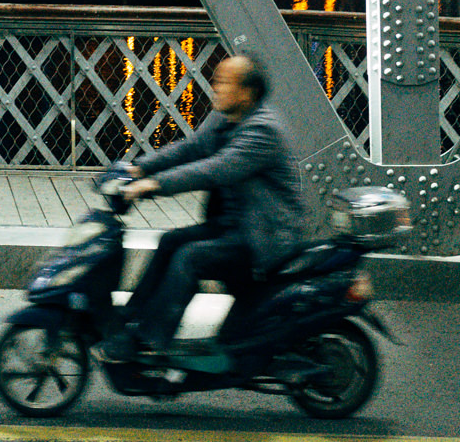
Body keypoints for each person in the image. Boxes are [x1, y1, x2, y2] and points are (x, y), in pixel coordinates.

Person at [99, 52, 306, 361]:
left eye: (224, 83)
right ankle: (129, 321)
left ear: (247, 93)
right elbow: (191, 149)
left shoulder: (263, 130)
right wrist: (139, 169)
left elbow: (215, 168)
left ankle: (150, 339)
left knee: (190, 258)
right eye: (216, 81)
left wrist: (155, 185)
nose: (215, 88)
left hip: (263, 237)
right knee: (170, 241)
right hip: (235, 224)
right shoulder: (226, 117)